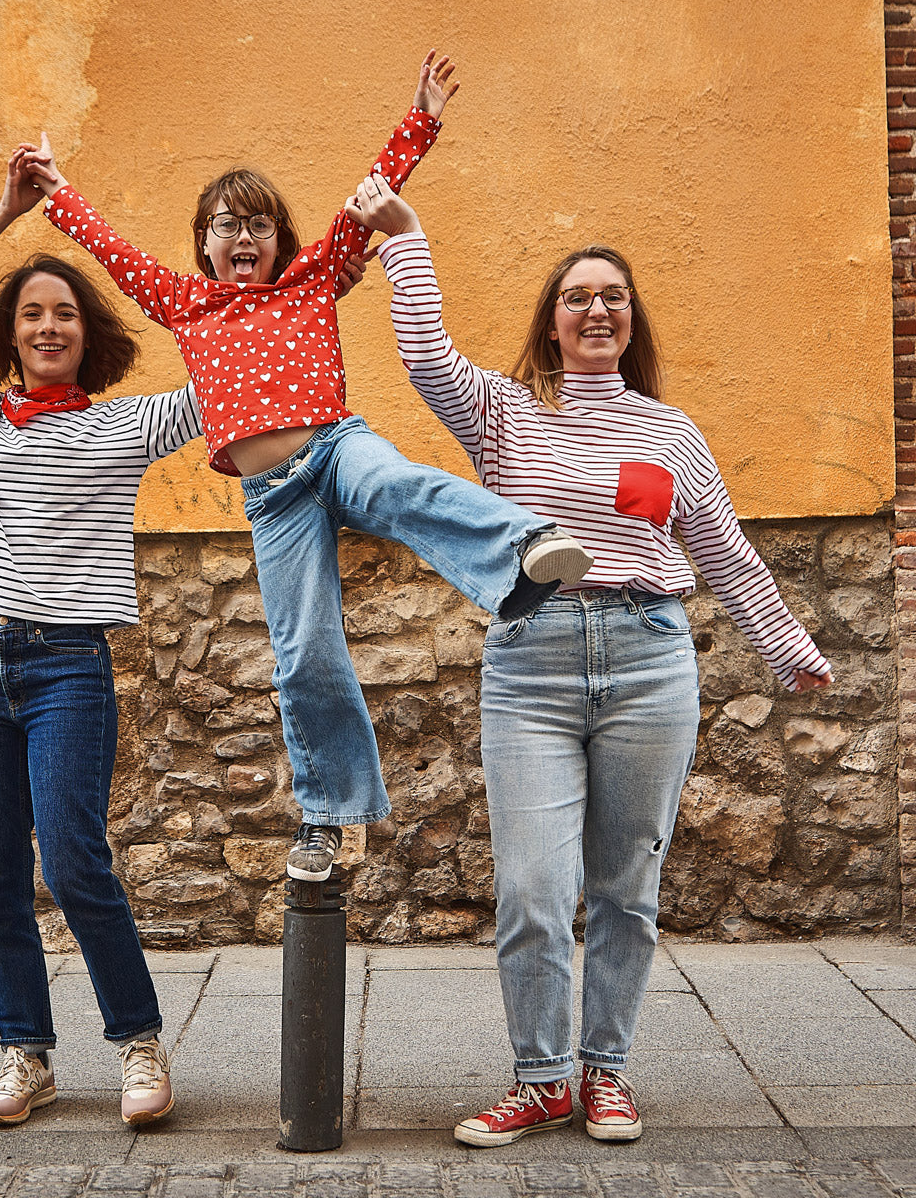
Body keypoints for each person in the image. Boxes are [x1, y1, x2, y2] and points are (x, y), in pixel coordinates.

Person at [21, 52, 595, 884]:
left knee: (401, 486)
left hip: (334, 446)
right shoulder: (183, 301)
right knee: (305, 652)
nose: (243, 236)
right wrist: (56, 190)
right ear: (205, 244)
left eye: (257, 224)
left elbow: (372, 194)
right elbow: (109, 249)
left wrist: (422, 116)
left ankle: (526, 548)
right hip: (274, 499)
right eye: (226, 225)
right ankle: (326, 818)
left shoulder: (311, 278)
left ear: (279, 239)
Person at [348, 174, 832, 1146]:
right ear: (553, 323)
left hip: (652, 663)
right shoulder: (505, 413)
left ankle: (606, 1073)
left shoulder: (671, 432)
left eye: (614, 294)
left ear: (631, 319)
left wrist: (789, 648)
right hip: (534, 659)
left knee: (626, 887)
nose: (598, 306)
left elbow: (725, 551)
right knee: (532, 889)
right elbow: (425, 357)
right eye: (579, 296)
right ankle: (541, 1079)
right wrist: (405, 236)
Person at [0, 144, 205, 1128]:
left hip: (69, 666)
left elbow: (225, 380)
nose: (46, 324)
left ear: (88, 337)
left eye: (64, 313)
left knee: (74, 857)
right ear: (11, 330)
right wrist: (6, 213)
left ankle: (138, 1042)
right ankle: (25, 1054)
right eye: (31, 311)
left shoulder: (125, 427)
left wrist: (260, 289)